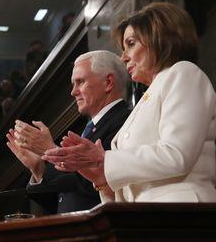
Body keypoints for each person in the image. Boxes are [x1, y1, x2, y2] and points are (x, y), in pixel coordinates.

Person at [43, 2, 216, 203]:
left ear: (159, 39)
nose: (123, 57)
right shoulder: (146, 98)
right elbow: (137, 187)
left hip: (184, 213)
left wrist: (103, 158)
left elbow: (176, 155)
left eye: (130, 43)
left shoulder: (183, 73)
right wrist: (101, 178)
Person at [7, 50, 130, 213]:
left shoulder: (125, 121)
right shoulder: (88, 128)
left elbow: (100, 183)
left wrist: (50, 150)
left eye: (80, 82)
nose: (73, 92)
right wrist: (38, 168)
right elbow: (64, 197)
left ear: (108, 82)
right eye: (73, 84)